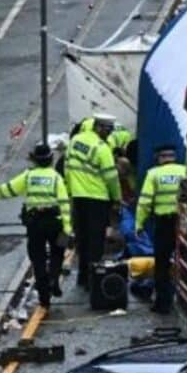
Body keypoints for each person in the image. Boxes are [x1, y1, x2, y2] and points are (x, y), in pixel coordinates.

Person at [0, 142, 71, 309]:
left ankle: (44, 296)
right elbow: (64, 203)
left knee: (37, 258)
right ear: (51, 160)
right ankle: (53, 279)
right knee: (57, 252)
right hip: (54, 222)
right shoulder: (56, 178)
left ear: (35, 160)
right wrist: (67, 228)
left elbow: (9, 189)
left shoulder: (28, 176)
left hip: (35, 223)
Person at [64, 113, 122, 288]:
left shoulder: (75, 141)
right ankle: (92, 279)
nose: (109, 134)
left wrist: (69, 189)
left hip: (78, 197)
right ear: (99, 127)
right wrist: (117, 198)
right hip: (97, 199)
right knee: (96, 241)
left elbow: (67, 166)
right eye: (108, 130)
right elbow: (111, 177)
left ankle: (82, 276)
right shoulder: (101, 148)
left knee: (82, 238)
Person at [136, 144, 186, 314]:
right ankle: (184, 300)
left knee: (162, 264)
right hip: (183, 224)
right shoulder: (184, 171)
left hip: (163, 224)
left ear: (159, 158)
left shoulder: (154, 174)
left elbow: (145, 201)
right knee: (185, 262)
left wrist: (139, 224)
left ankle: (163, 303)